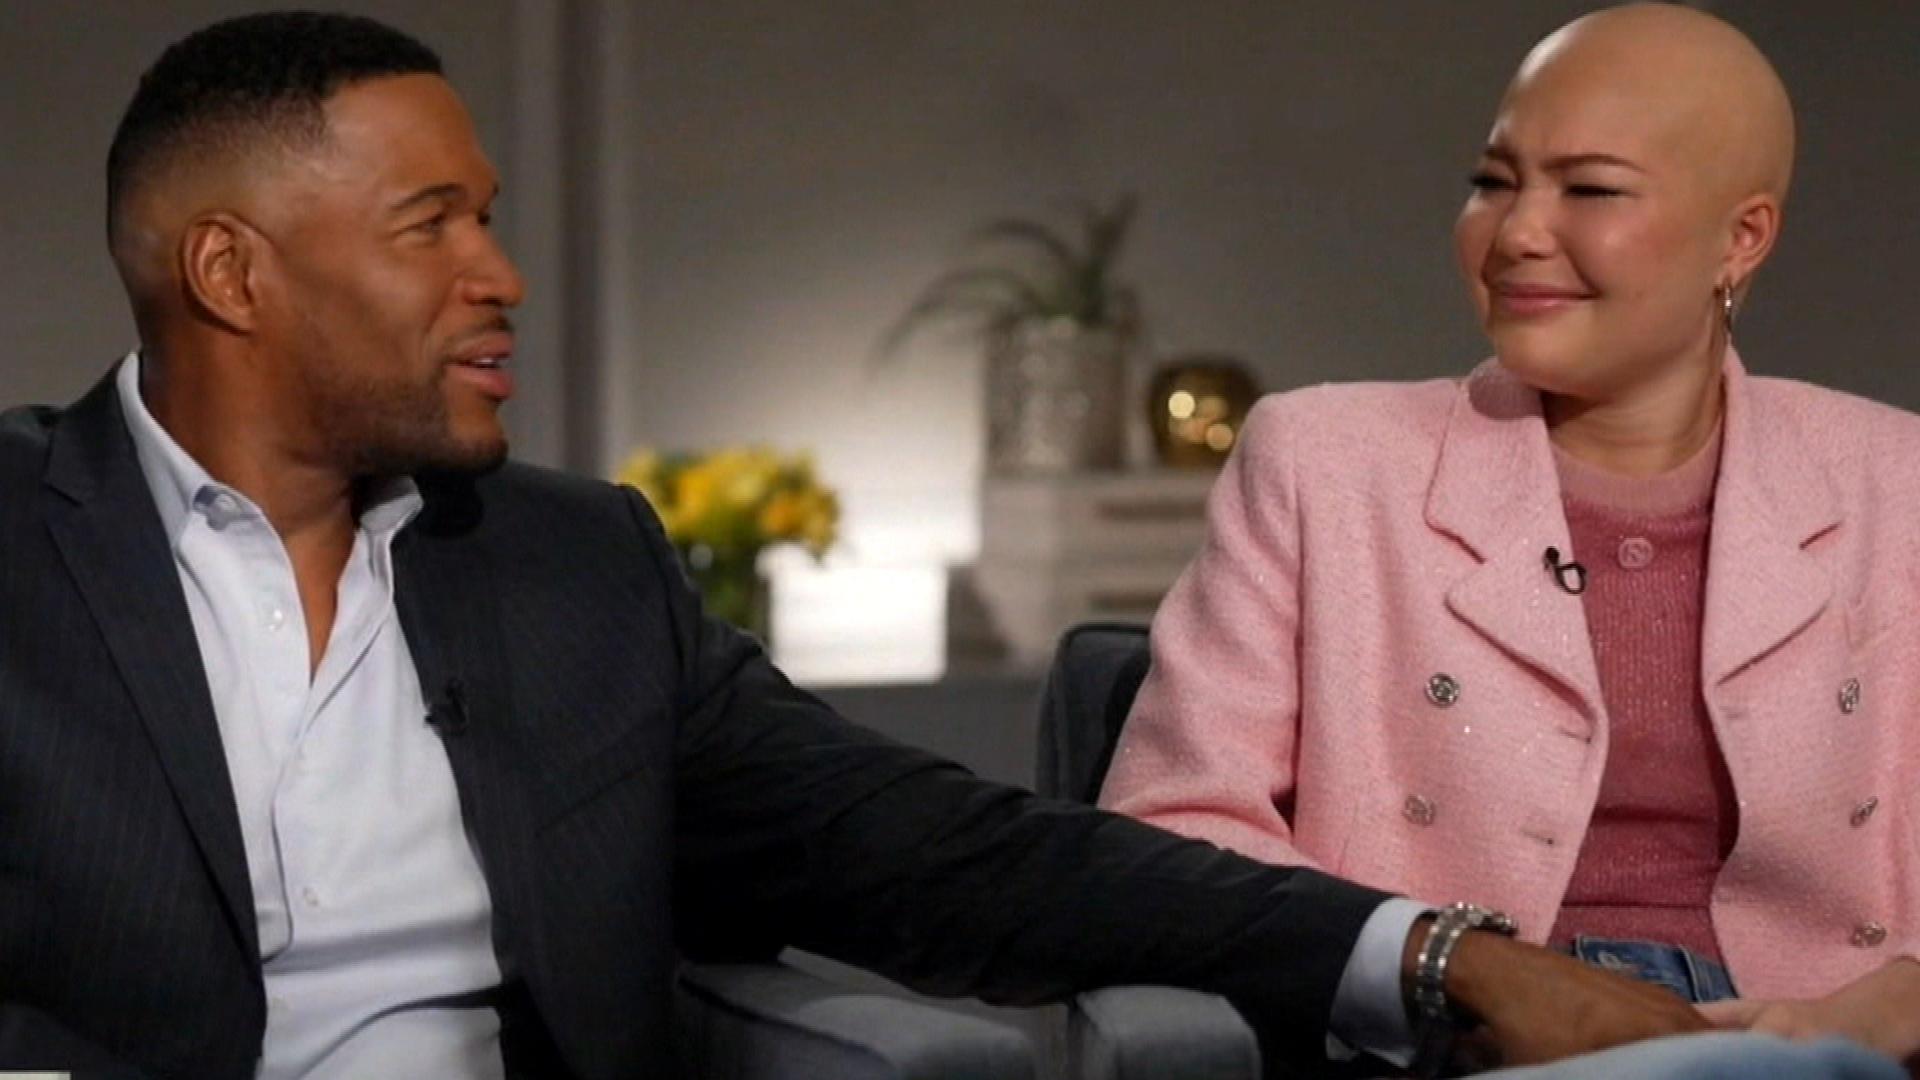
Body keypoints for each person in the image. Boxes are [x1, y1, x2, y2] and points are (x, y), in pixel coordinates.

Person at [1100, 1, 1920, 1070]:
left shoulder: (1896, 482)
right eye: (1493, 182)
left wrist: (1895, 1004)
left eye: (1590, 190)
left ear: (1742, 237)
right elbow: (1170, 832)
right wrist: (1443, 971)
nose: (1518, 232)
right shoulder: (1321, 463)